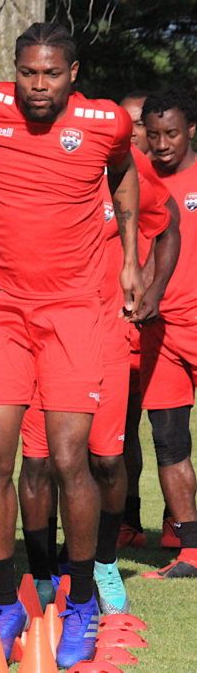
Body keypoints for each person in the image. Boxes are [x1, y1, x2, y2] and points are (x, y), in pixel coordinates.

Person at [0, 22, 141, 667]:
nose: (37, 85)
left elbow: (125, 178)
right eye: (28, 72)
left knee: (66, 457)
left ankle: (79, 600)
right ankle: (6, 603)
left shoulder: (104, 122)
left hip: (74, 309)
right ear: (15, 70)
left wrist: (130, 256)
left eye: (51, 74)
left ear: (72, 74)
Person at [17, 144, 178, 613]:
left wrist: (153, 289)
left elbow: (168, 226)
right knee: (38, 463)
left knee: (106, 462)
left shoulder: (127, 172)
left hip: (105, 336)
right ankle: (43, 574)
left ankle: (104, 562)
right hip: (40, 337)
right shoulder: (35, 167)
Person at [138, 88, 197, 579]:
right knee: (170, 441)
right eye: (153, 134)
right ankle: (190, 551)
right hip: (159, 333)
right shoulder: (132, 180)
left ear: (191, 129)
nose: (161, 144)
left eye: (171, 133)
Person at [118, 90, 157, 550]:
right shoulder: (103, 172)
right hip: (109, 322)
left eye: (138, 124)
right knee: (121, 432)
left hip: (156, 323)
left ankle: (175, 520)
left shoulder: (153, 182)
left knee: (167, 430)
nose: (131, 133)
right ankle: (127, 518)